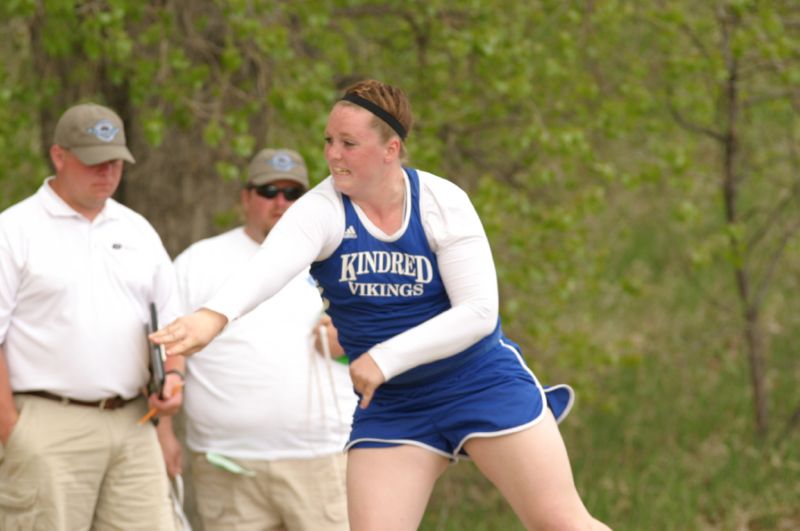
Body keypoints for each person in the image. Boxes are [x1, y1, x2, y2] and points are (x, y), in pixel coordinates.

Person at [151, 80, 610, 530]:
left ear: (390, 149)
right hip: (394, 402)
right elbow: (268, 267)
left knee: (560, 522)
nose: (333, 154)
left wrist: (384, 358)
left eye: (348, 143)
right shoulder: (322, 209)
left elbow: (477, 313)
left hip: (479, 381)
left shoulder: (440, 201)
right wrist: (213, 317)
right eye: (329, 140)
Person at [0, 102, 185, 530]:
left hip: (134, 422)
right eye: (94, 162)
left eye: (115, 162)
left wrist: (173, 379)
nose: (107, 173)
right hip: (48, 422)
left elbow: (172, 325)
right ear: (59, 156)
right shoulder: (14, 230)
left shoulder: (137, 228)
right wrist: (13, 429)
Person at [157, 148, 355, 531]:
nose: (281, 202)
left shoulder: (339, 255)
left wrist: (348, 341)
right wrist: (165, 434)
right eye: (268, 191)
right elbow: (168, 348)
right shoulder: (199, 260)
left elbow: (391, 339)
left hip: (322, 458)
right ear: (246, 197)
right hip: (228, 463)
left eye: (293, 193)